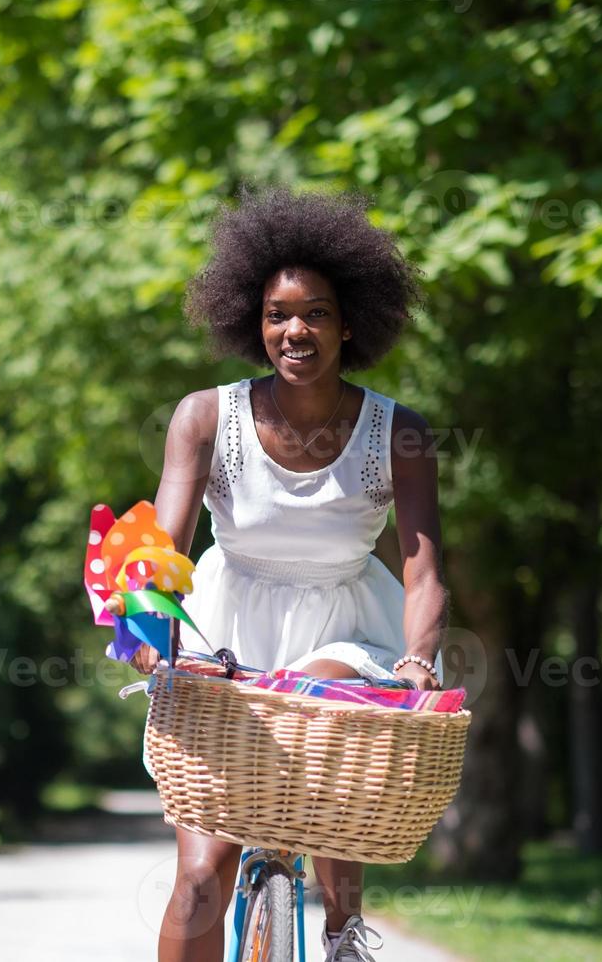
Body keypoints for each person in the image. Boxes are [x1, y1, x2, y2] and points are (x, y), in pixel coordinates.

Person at [137, 187, 447, 962]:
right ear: (254, 322)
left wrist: (416, 661)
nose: (295, 330)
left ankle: (343, 931)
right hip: (224, 625)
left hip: (345, 629)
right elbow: (164, 542)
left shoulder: (396, 431)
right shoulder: (205, 417)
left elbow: (422, 565)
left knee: (327, 722)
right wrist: (149, 628)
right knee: (201, 874)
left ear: (350, 325)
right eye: (277, 315)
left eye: (314, 312)